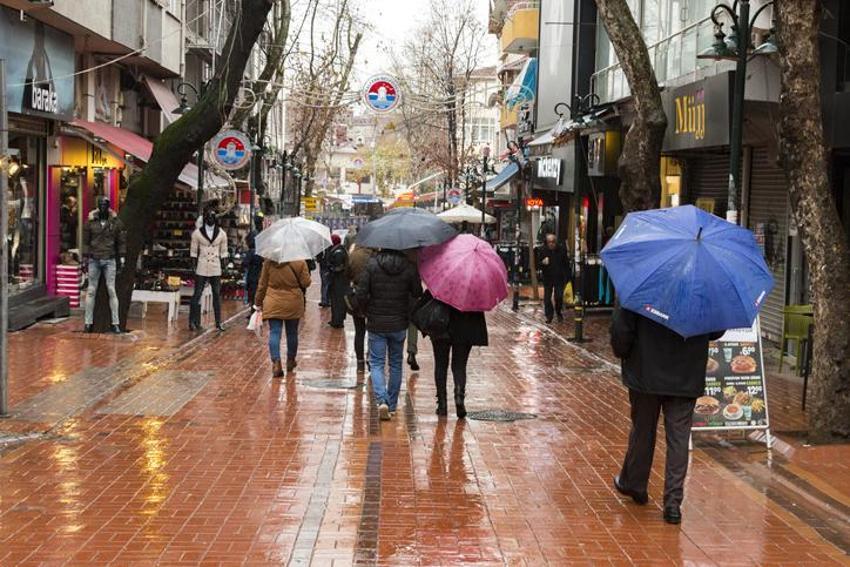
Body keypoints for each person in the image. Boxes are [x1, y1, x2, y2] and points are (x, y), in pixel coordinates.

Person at [610, 304, 724, 525]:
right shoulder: (701, 287)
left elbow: (621, 329)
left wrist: (624, 353)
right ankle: (673, 504)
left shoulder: (641, 277)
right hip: (686, 373)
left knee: (643, 429)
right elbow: (716, 330)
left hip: (645, 372)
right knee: (679, 438)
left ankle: (635, 484)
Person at [355, 249, 423, 421]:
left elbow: (361, 293)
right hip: (399, 323)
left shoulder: (371, 265)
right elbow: (417, 293)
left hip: (376, 322)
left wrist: (366, 311)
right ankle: (391, 405)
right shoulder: (409, 267)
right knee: (396, 363)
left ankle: (382, 400)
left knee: (377, 363)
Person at [254, 258, 311, 376]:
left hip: (273, 300)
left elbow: (262, 284)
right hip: (293, 301)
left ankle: (276, 363)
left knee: (274, 332)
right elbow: (306, 282)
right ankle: (290, 360)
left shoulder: (269, 262)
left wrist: (258, 302)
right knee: (292, 332)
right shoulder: (300, 261)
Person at [430, 304, 488, 418]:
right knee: (459, 366)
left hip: (441, 325)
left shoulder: (440, 286)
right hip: (465, 328)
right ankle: (459, 396)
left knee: (441, 365)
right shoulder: (473, 288)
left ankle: (442, 404)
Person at [82, 197, 125, 333]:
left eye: (105, 205)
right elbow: (85, 241)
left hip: (109, 258)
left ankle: (115, 322)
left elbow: (121, 240)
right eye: (100, 205)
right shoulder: (90, 223)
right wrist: (85, 257)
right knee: (91, 290)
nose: (103, 207)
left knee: (111, 289)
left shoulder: (115, 223)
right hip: (94, 258)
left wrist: (122, 257)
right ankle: (88, 322)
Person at [189, 209, 228, 331]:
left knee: (216, 294)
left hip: (215, 266)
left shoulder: (222, 233)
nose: (210, 219)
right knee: (197, 294)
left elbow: (224, 251)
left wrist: (224, 265)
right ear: (205, 218)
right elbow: (194, 251)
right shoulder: (197, 233)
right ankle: (193, 321)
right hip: (202, 265)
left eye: (212, 217)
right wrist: (193, 265)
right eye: (208, 217)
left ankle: (218, 322)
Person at [347, 244, 375, 371]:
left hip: (357, 294)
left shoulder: (353, 256)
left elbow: (346, 274)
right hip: (373, 296)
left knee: (359, 331)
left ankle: (359, 360)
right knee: (373, 330)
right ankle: (370, 355)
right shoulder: (375, 257)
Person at [537, 233, 571, 324]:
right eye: (549, 242)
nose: (551, 244)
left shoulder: (561, 250)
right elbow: (537, 264)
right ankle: (549, 316)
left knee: (558, 297)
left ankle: (559, 312)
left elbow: (566, 264)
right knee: (547, 298)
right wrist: (542, 263)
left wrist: (567, 277)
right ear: (546, 243)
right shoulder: (543, 250)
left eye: (553, 242)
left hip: (559, 278)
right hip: (547, 278)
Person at [244, 214, 265, 317]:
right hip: (259, 269)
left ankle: (254, 309)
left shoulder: (254, 235)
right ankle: (256, 308)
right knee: (257, 289)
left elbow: (245, 263)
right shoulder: (263, 234)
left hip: (254, 270)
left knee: (253, 289)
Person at [327, 234, 349, 328]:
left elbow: (339, 267)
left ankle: (337, 321)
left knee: (338, 300)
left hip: (339, 280)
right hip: (338, 279)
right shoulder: (339, 249)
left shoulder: (338, 251)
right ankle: (336, 319)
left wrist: (331, 268)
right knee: (336, 300)